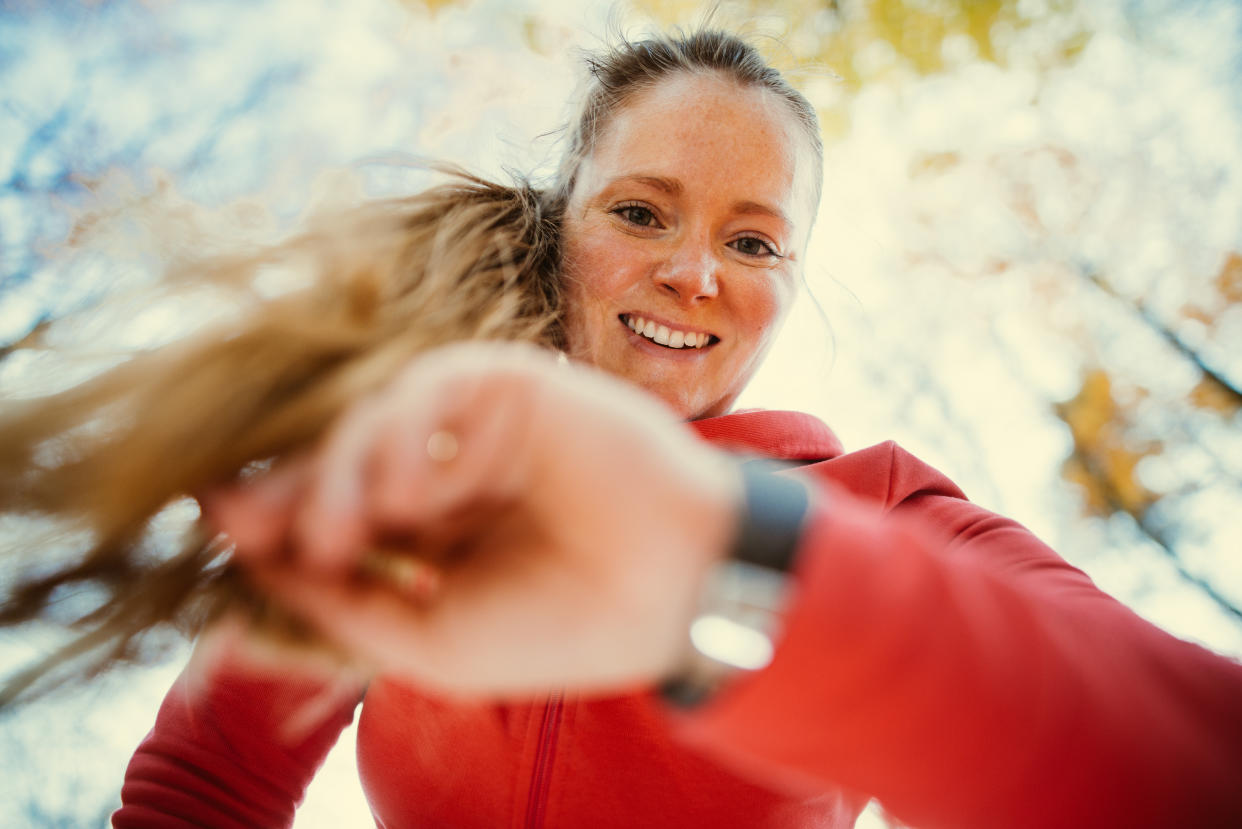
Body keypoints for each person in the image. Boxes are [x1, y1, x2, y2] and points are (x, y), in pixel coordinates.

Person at [1, 28, 1238, 829]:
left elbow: (1191, 769)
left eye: (753, 240)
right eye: (642, 213)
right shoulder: (408, 485)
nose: (696, 273)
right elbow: (201, 794)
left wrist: (715, 565)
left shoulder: (885, 509)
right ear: (560, 225)